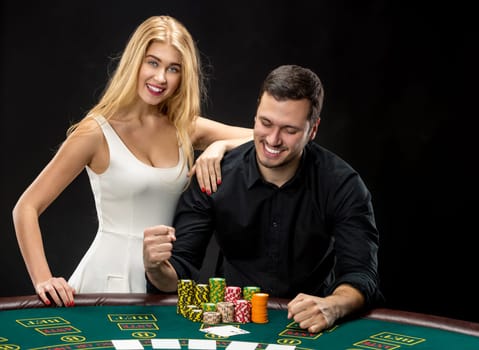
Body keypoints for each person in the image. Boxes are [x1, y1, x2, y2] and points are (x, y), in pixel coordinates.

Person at [12, 16, 252, 308]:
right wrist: (43, 280)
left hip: (164, 280)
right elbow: (26, 207)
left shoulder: (184, 127)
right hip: (104, 281)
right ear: (134, 61)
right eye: (153, 62)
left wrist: (219, 146)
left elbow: (264, 139)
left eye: (173, 68)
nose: (161, 78)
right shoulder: (95, 131)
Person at [144, 64, 383, 333]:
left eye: (289, 130)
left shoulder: (342, 184)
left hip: (309, 326)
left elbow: (361, 275)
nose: (273, 139)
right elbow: (178, 275)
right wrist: (155, 268)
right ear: (256, 113)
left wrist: (334, 305)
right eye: (265, 123)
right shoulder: (214, 175)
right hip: (231, 325)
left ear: (312, 130)